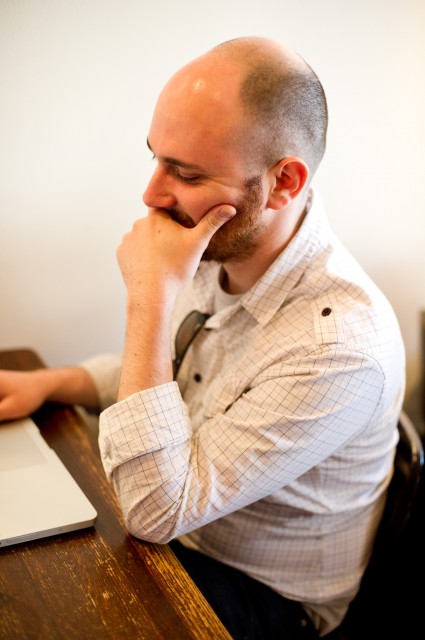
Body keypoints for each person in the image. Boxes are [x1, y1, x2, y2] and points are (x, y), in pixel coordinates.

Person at [0, 37, 405, 639]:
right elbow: (169, 378)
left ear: (284, 182)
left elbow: (153, 512)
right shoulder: (221, 243)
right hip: (184, 523)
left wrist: (149, 298)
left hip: (265, 595)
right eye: (156, 157)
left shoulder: (339, 347)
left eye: (186, 173)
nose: (152, 194)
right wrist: (52, 383)